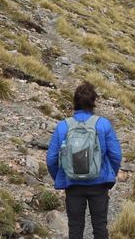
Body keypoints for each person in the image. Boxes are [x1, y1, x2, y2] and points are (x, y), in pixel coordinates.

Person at [47, 82, 122, 239]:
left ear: (75, 102)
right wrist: (110, 174)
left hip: (73, 184)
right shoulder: (103, 124)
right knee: (100, 226)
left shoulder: (63, 126)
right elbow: (116, 155)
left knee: (75, 227)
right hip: (99, 183)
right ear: (93, 102)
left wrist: (61, 177)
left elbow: (51, 159)